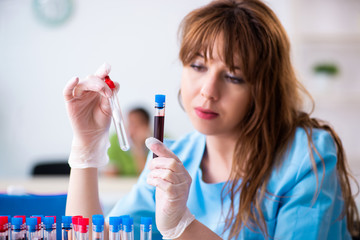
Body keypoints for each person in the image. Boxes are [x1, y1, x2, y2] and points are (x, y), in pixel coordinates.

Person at [63, 0, 359, 239]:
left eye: (233, 76)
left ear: (264, 88)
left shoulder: (305, 157)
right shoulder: (174, 158)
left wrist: (183, 226)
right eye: (197, 65)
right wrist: (87, 147)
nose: (207, 91)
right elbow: (94, 237)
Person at [106, 107, 151, 176]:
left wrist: (139, 148)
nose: (132, 129)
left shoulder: (160, 141)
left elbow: (147, 176)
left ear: (146, 127)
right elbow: (110, 174)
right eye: (131, 124)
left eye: (137, 125)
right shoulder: (116, 139)